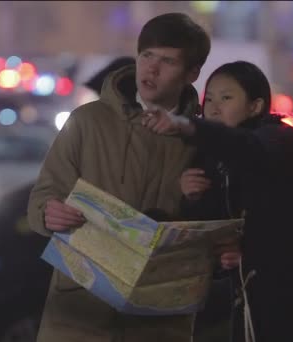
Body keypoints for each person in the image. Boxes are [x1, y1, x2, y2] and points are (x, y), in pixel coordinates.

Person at [27, 12, 211, 342]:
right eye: (146, 56)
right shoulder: (87, 121)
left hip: (157, 317)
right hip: (79, 310)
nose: (151, 69)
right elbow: (44, 195)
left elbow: (215, 225)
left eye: (167, 61)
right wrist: (47, 212)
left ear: (192, 73)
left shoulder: (203, 139)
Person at [142, 61, 293, 342]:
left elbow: (247, 150)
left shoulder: (280, 139)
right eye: (210, 100)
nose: (214, 108)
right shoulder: (213, 158)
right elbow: (211, 227)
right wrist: (192, 196)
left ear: (255, 106)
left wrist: (188, 126)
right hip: (254, 303)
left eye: (226, 98)